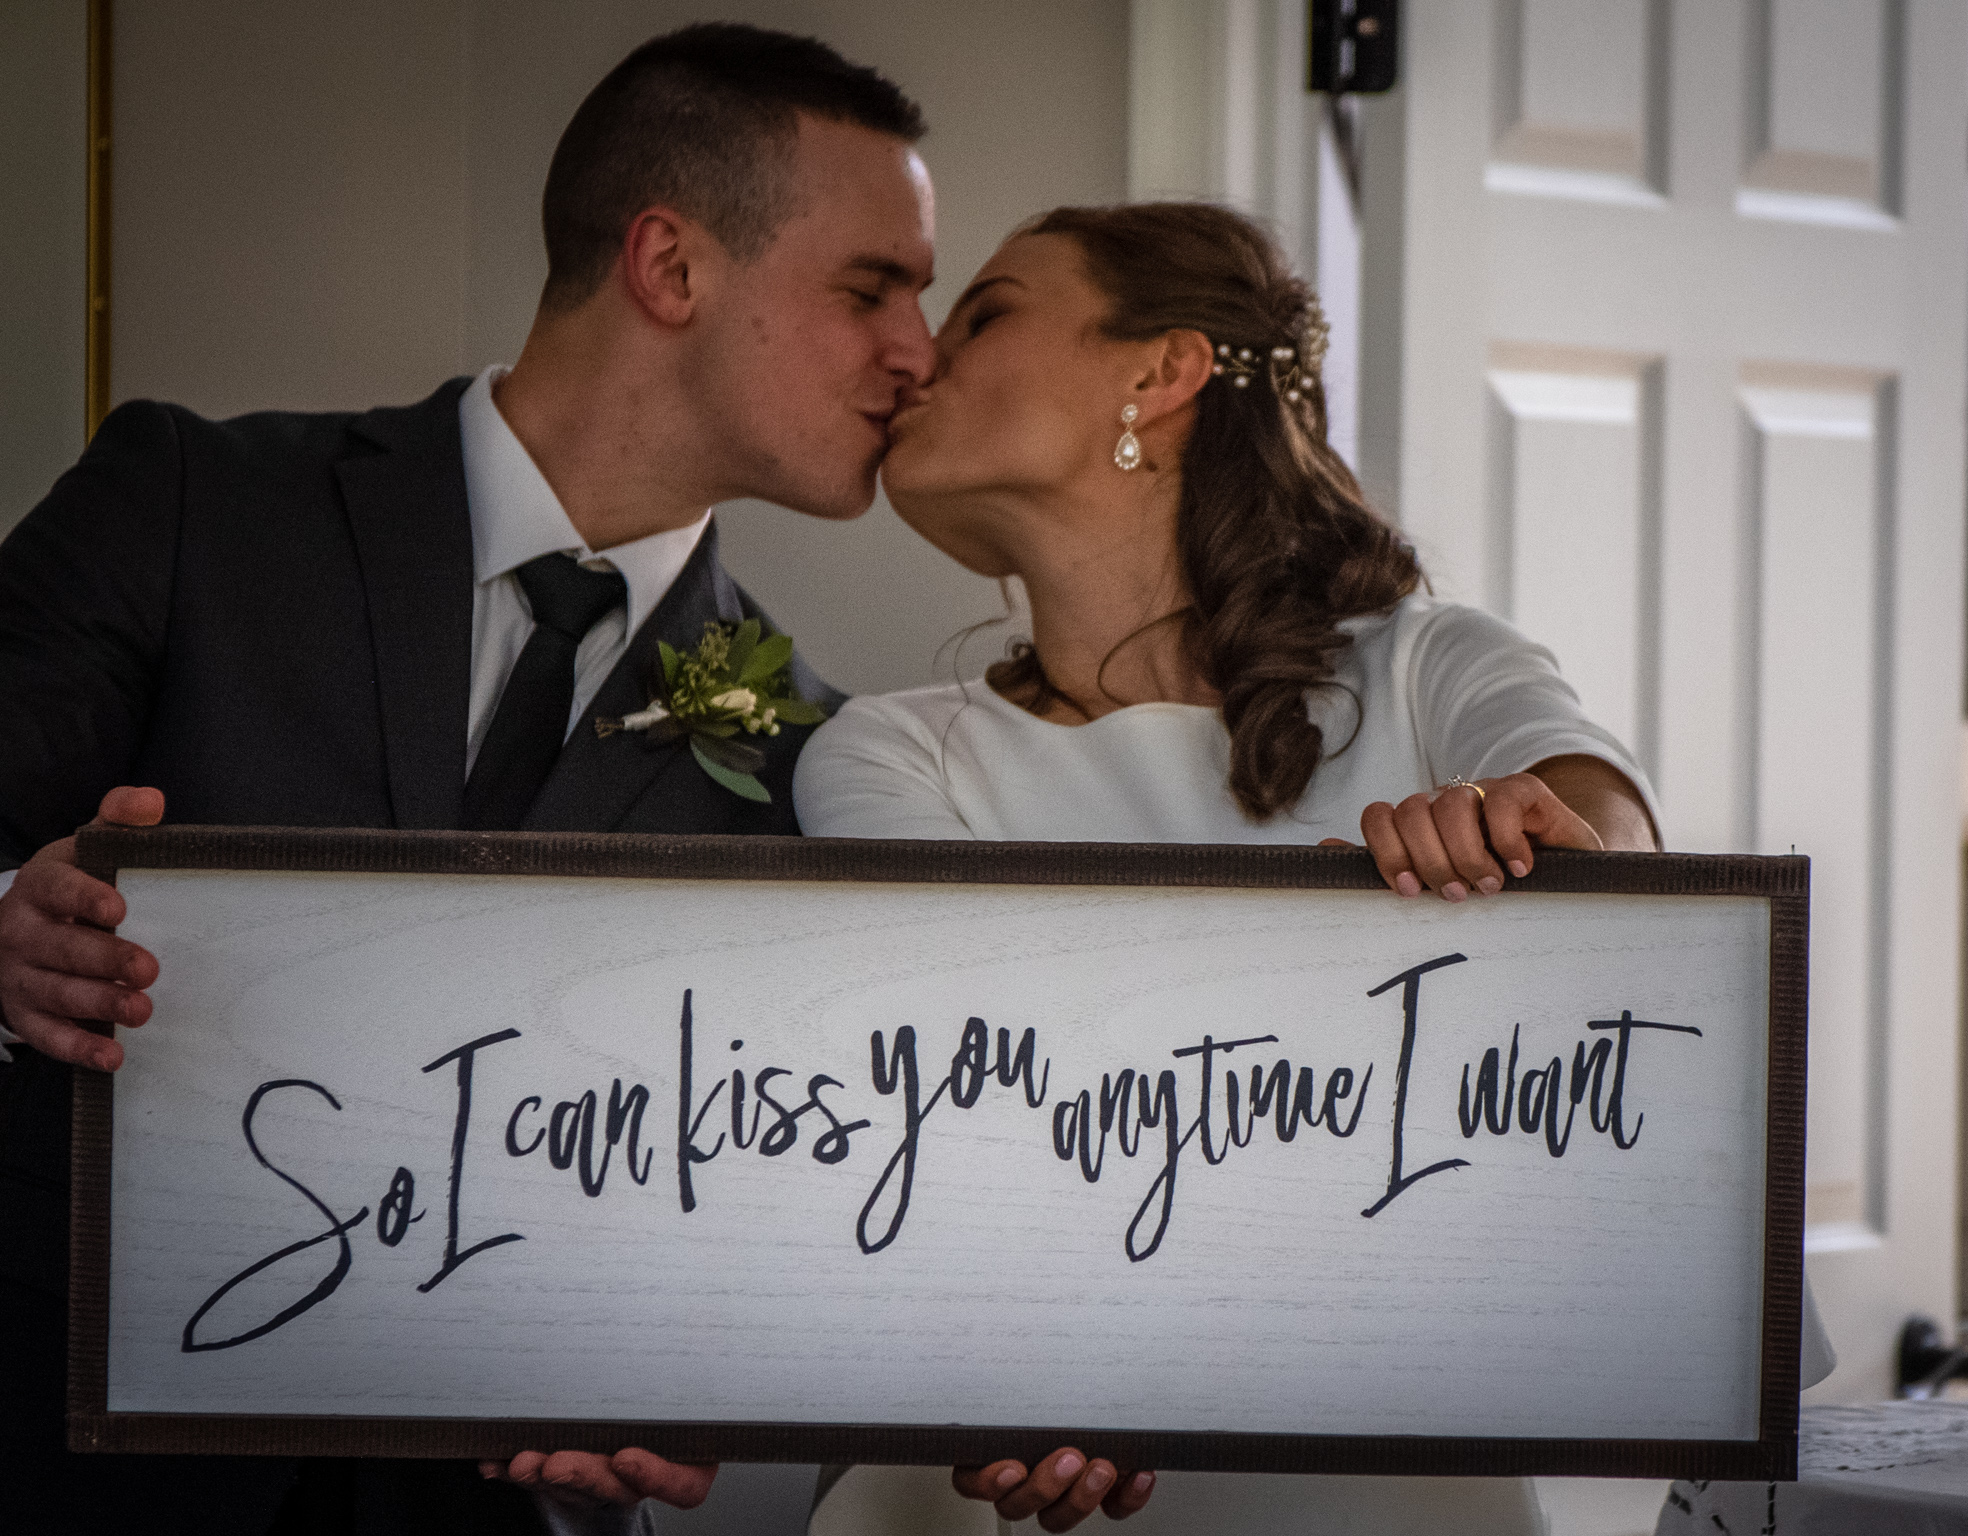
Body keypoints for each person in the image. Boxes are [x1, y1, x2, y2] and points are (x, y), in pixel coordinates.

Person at [0, 25, 1138, 1536]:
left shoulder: (821, 753)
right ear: (669, 266)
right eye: (872, 288)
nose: (917, 353)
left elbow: (810, 1192)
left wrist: (719, 1393)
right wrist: (6, 930)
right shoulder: (194, 501)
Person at [793, 202, 1655, 1534]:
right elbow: (958, 1093)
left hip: (1392, 1463)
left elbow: (1622, 853)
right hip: (1019, 1435)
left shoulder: (1429, 665)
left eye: (986, 312)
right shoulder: (887, 751)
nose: (916, 356)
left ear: (1162, 370)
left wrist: (1518, 832)